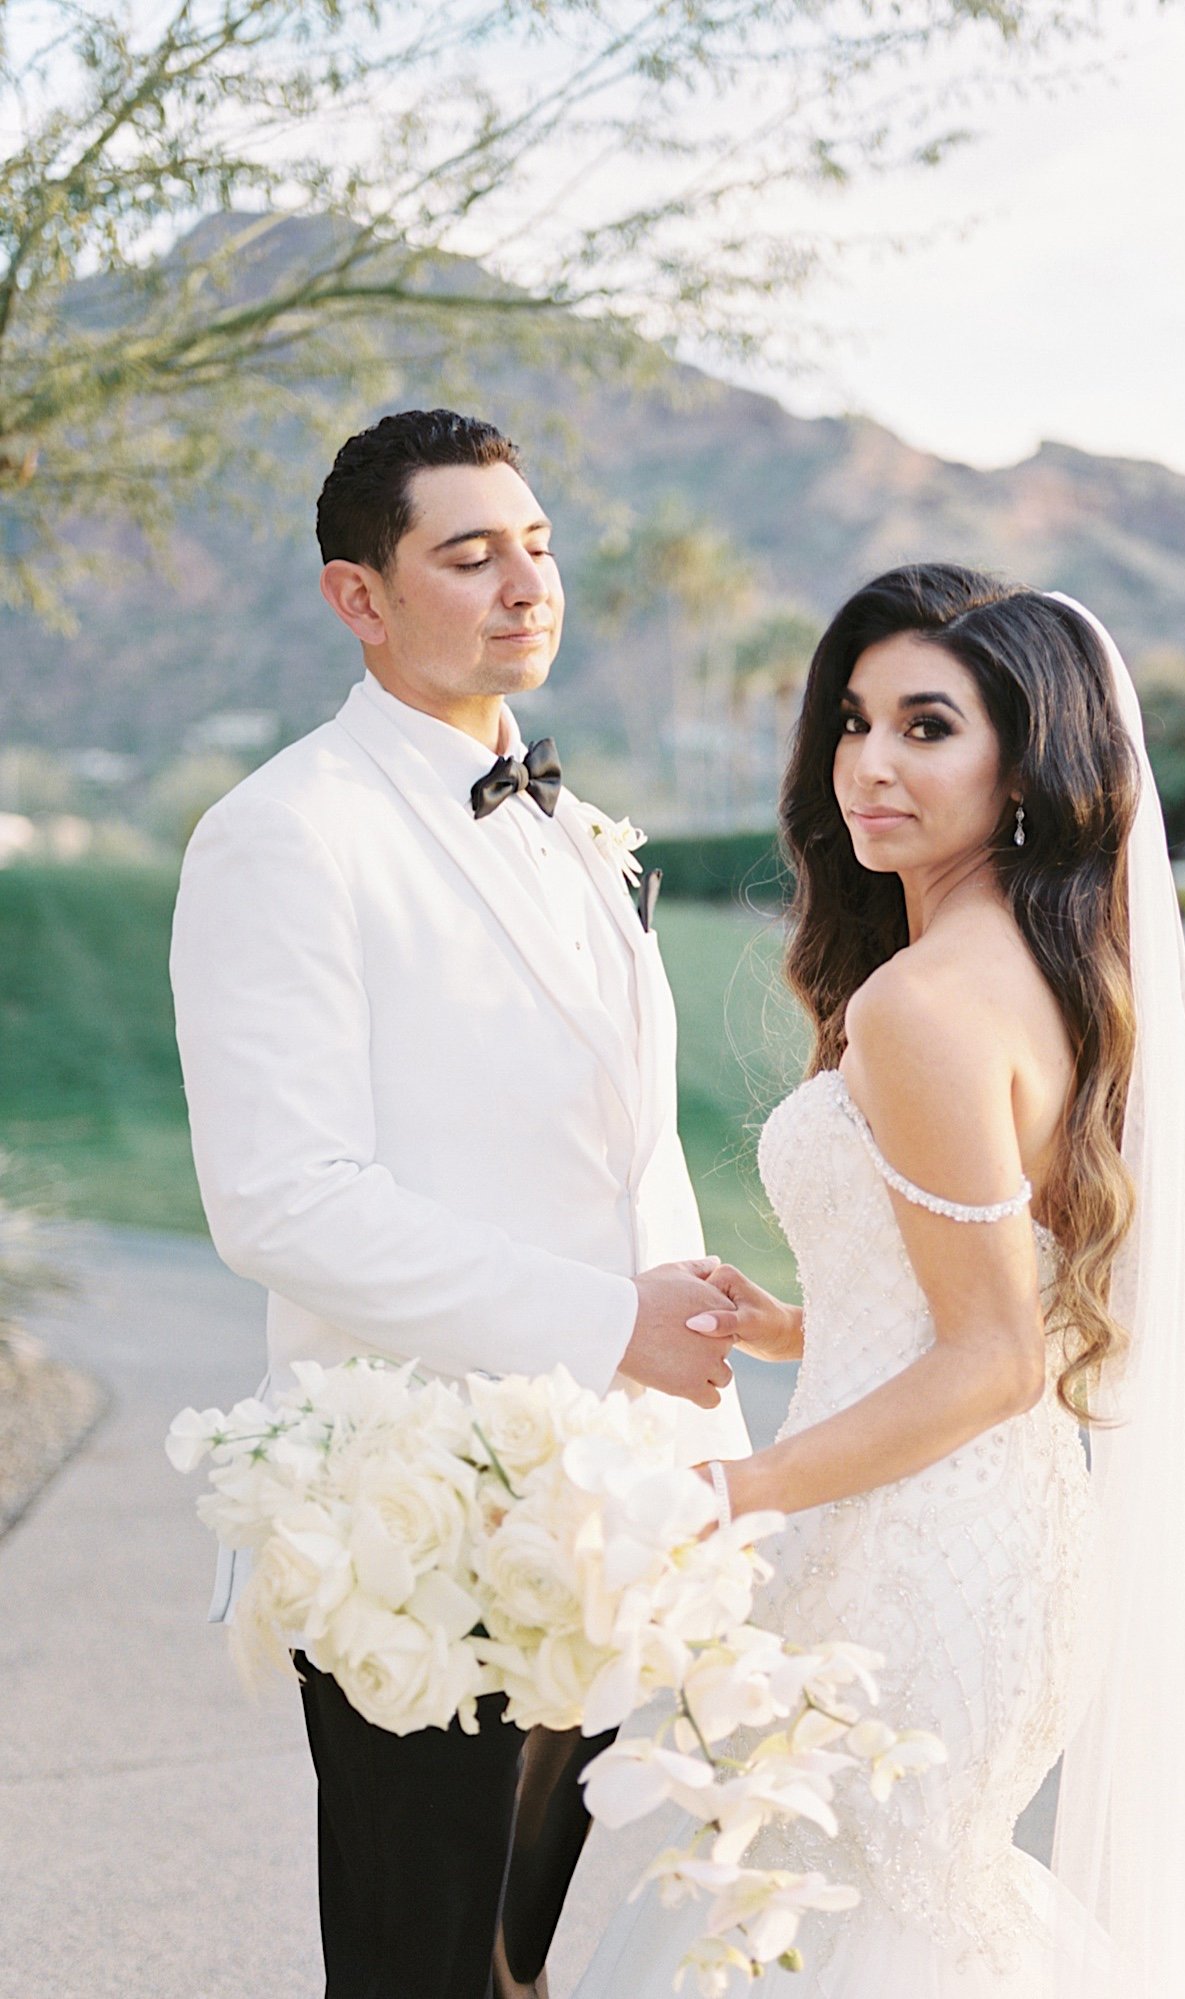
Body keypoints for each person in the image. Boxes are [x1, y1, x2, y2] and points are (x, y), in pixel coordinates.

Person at [576, 567, 1185, 1997]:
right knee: (879, 1909)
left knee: (862, 1919)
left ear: (1023, 768)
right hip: (975, 1528)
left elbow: (994, 1354)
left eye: (927, 726)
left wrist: (736, 1492)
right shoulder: (1034, 970)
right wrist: (803, 1325)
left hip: (916, 1558)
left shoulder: (925, 1003)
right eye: (854, 722)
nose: (870, 764)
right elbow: (1002, 1290)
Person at [168, 408, 751, 1999]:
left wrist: (689, 1436)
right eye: (470, 553)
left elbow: (623, 1157)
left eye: (540, 545)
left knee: (524, 1962)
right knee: (424, 1970)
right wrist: (603, 1325)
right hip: (408, 1529)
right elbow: (283, 1202)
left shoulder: (574, 829)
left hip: (600, 1507)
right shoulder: (285, 834)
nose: (524, 585)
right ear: (361, 597)